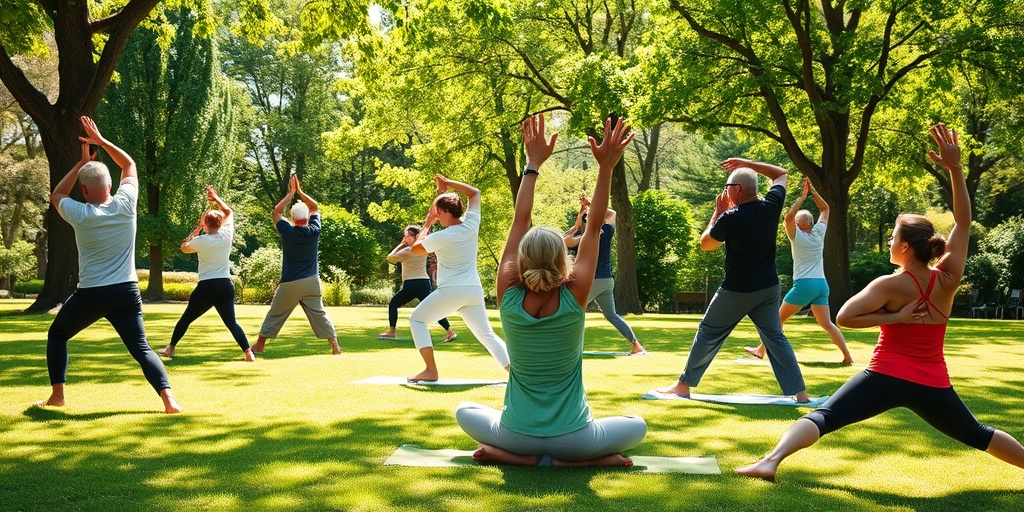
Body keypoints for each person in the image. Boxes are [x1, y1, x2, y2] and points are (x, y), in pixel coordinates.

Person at [736, 123, 1024, 482]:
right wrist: (955, 169)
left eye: (893, 236)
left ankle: (770, 461)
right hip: (932, 383)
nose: (889, 241)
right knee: (977, 433)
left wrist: (896, 315)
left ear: (905, 247)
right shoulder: (946, 279)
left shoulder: (889, 284)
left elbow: (844, 317)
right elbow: (963, 222)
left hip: (884, 375)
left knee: (824, 417)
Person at [456, 114, 647, 467]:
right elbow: (593, 231)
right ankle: (569, 463)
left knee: (464, 410)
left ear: (521, 259)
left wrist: (532, 165)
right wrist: (605, 166)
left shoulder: (508, 295)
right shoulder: (575, 295)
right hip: (575, 439)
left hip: (515, 434)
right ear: (564, 258)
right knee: (638, 425)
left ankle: (524, 459)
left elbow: (520, 220)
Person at [42, 116, 181, 413]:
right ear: (110, 185)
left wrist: (81, 163)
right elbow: (128, 165)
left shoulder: (79, 213)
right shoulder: (125, 204)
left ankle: (57, 396)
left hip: (91, 294)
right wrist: (101, 141)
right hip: (126, 293)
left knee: (57, 335)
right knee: (141, 348)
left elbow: (57, 195)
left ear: (86, 191)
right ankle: (169, 401)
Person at [656, 157, 810, 402]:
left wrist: (717, 213)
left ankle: (683, 386)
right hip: (769, 288)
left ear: (737, 190)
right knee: (775, 338)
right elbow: (781, 175)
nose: (725, 192)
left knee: (708, 332)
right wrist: (747, 163)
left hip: (737, 290)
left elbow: (706, 244)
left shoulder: (731, 217)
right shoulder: (771, 206)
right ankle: (800, 394)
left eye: (728, 187)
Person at [406, 174, 510, 382]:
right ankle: (517, 375)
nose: (436, 215)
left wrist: (427, 222)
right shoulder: (471, 225)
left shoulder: (442, 236)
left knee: (416, 320)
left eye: (437, 212)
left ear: (445, 212)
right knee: (487, 335)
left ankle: (430, 371)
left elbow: (416, 248)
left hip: (452, 290)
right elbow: (475, 193)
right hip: (472, 290)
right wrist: (447, 183)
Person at [744, 177, 853, 364]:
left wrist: (802, 197)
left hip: (804, 284)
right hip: (821, 284)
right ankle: (847, 356)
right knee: (827, 324)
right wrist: (813, 192)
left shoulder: (797, 236)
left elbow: (787, 218)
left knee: (777, 320)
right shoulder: (819, 232)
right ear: (811, 222)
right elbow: (825, 209)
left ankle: (762, 351)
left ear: (799, 223)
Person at [157, 186, 255, 362]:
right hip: (225, 285)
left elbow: (184, 248)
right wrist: (216, 197)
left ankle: (170, 349)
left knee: (186, 319)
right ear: (220, 223)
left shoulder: (200, 240)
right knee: (231, 322)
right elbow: (229, 211)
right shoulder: (226, 234)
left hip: (207, 286)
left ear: (205, 224)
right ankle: (248, 352)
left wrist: (195, 231)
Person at [250, 175, 341, 355]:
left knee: (275, 313)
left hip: (290, 282)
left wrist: (290, 194)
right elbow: (315, 207)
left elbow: (276, 212)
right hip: (311, 282)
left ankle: (260, 345)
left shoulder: (288, 231)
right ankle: (336, 347)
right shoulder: (315, 230)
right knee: (319, 314)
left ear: (292, 217)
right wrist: (300, 192)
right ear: (307, 217)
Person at [564, 195, 647, 355]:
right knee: (612, 315)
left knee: (573, 311)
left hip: (592, 282)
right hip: (607, 281)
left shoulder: (582, 239)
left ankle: (572, 349)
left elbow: (565, 241)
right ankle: (636, 345)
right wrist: (591, 205)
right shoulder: (606, 232)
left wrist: (577, 224)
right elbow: (612, 214)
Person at [378, 225, 458, 343]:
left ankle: (392, 332)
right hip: (424, 283)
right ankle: (450, 331)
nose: (405, 238)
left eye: (408, 235)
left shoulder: (407, 250)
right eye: (404, 236)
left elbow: (390, 258)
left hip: (412, 284)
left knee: (393, 304)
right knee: (432, 308)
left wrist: (401, 244)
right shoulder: (422, 248)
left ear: (415, 236)